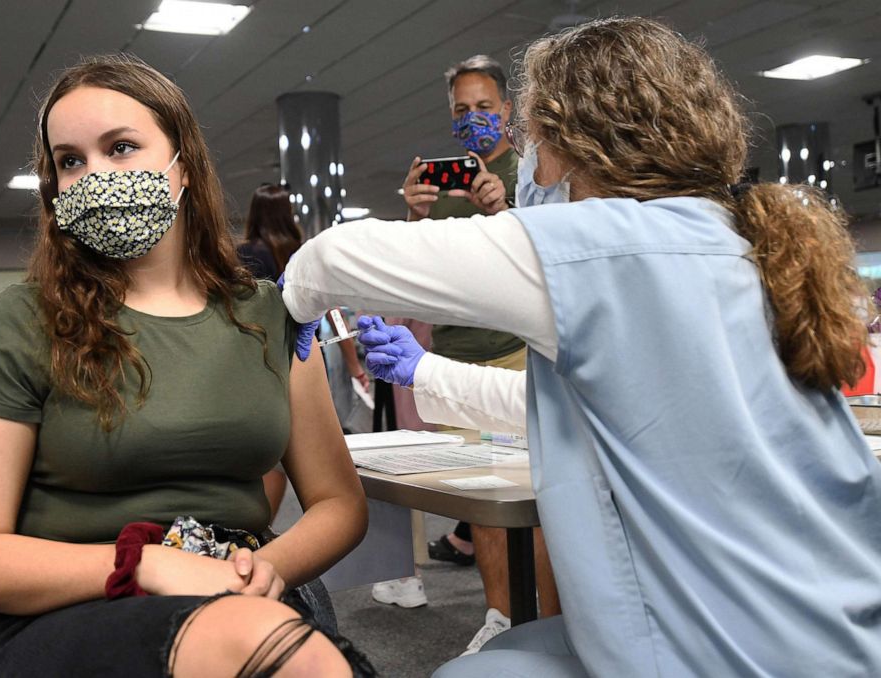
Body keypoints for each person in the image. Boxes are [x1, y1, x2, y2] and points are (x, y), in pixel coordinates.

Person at [279, 16, 881, 677]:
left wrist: (288, 306)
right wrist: (428, 372)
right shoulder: (739, 241)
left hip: (734, 651)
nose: (529, 161)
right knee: (511, 649)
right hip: (837, 626)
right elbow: (607, 403)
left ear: (564, 144)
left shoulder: (594, 244)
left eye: (531, 139)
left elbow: (332, 260)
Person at [0, 54, 372, 678]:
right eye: (70, 161)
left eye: (122, 147)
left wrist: (264, 569)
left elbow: (337, 502)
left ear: (182, 167)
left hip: (243, 589)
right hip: (73, 607)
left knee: (270, 642)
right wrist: (145, 562)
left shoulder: (268, 313)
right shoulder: (24, 321)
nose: (95, 175)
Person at [387, 54, 558, 652]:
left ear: (508, 110)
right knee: (483, 500)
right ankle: (502, 617)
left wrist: (503, 211)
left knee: (533, 497)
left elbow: (549, 264)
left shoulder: (533, 171)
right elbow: (414, 274)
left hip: (515, 352)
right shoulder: (444, 181)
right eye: (463, 110)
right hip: (454, 354)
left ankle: (553, 624)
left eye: (486, 108)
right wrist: (413, 216)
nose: (475, 119)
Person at [237, 182, 368, 516]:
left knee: (270, 457)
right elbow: (333, 311)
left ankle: (257, 529)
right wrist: (354, 365)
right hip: (306, 356)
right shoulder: (302, 250)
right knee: (320, 463)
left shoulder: (243, 254)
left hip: (258, 362)